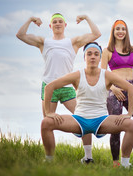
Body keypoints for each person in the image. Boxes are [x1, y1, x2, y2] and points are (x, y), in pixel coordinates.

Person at [16, 13, 101, 163]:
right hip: (49, 87)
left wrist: (87, 18)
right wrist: (30, 19)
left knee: (85, 119)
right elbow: (20, 35)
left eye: (60, 21)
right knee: (47, 122)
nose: (57, 23)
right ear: (50, 26)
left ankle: (88, 157)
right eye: (54, 22)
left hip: (67, 87)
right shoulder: (44, 42)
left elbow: (96, 34)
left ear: (65, 25)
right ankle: (49, 159)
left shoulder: (72, 42)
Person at [41, 42, 133, 168]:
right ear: (84, 57)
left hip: (101, 120)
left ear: (100, 57)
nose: (93, 56)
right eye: (89, 54)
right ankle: (49, 160)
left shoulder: (106, 75)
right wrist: (49, 112)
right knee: (46, 122)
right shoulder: (77, 75)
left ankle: (125, 165)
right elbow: (49, 87)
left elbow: (131, 89)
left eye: (96, 54)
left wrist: (129, 114)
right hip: (79, 119)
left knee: (131, 125)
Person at [101, 19, 133, 168]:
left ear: (126, 31)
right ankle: (116, 162)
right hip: (114, 89)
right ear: (113, 32)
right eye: (117, 29)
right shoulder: (107, 51)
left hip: (131, 88)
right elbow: (102, 74)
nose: (120, 31)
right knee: (116, 126)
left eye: (123, 29)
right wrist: (113, 88)